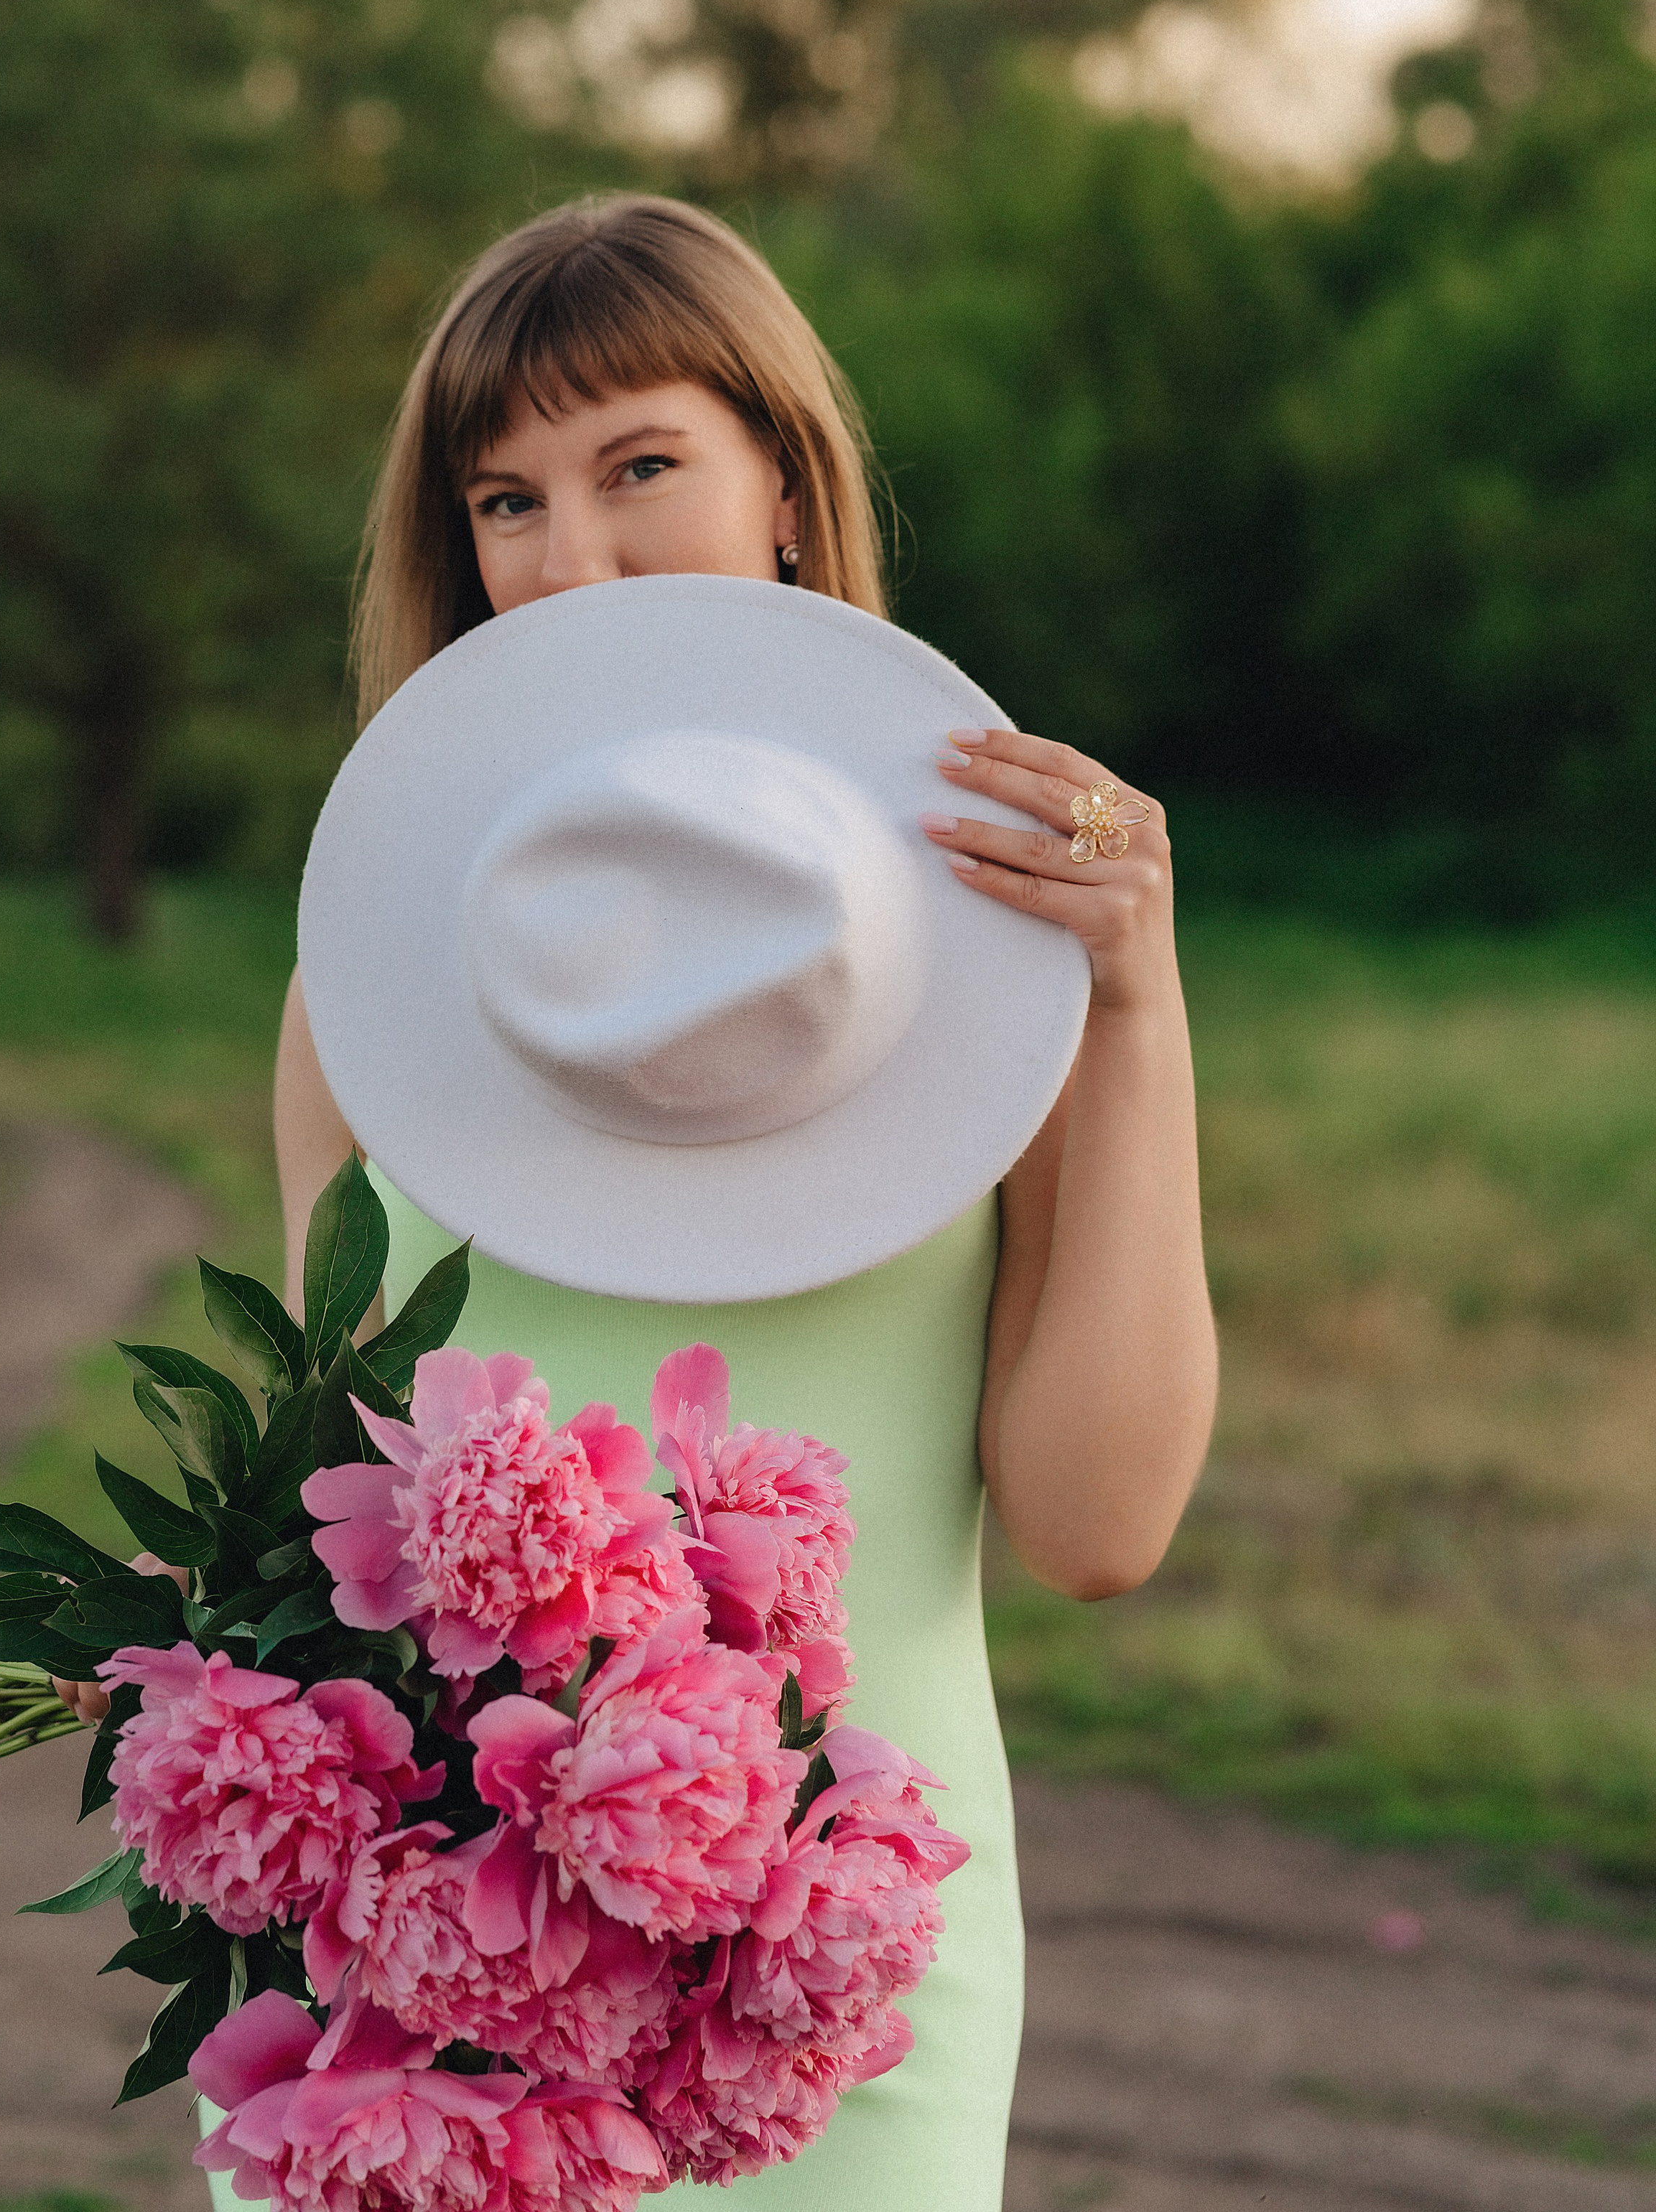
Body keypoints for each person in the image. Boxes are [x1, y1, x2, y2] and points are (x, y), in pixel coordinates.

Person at [271, 194, 1215, 2208]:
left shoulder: (1015, 953)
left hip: (828, 1997)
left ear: (783, 481)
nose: (572, 561)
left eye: (640, 469)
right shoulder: (366, 979)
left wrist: (1134, 1012)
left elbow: (1098, 1526)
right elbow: (327, 1523)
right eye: (506, 504)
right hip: (427, 1971)